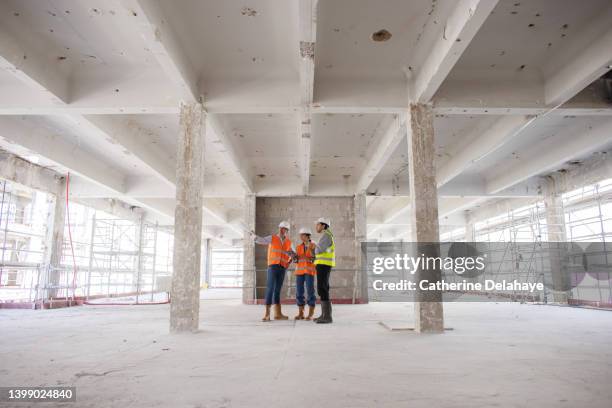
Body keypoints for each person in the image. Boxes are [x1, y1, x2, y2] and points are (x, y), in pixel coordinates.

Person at [254, 221, 294, 321]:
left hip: (282, 268)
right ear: (279, 228)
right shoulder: (272, 238)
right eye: (281, 228)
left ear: (287, 231)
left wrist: (289, 262)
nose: (282, 230)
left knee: (277, 291)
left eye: (285, 229)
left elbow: (294, 254)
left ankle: (278, 314)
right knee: (270, 289)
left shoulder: (289, 242)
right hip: (272, 267)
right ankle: (267, 314)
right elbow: (261, 240)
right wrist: (254, 236)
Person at [313, 217, 335, 324]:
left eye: (318, 224)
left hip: (324, 265)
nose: (316, 226)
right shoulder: (326, 235)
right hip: (323, 264)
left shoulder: (326, 235)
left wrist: (314, 247)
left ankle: (327, 317)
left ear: (323, 225)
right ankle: (324, 314)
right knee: (322, 289)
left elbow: (318, 250)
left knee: (323, 288)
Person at [293, 227, 316, 320]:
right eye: (300, 235)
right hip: (299, 272)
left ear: (307, 236)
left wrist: (311, 252)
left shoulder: (314, 245)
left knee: (310, 291)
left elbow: (316, 258)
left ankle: (310, 313)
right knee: (299, 292)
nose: (301, 237)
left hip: (309, 271)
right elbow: (296, 260)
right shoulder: (298, 247)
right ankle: (301, 312)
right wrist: (294, 257)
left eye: (302, 235)